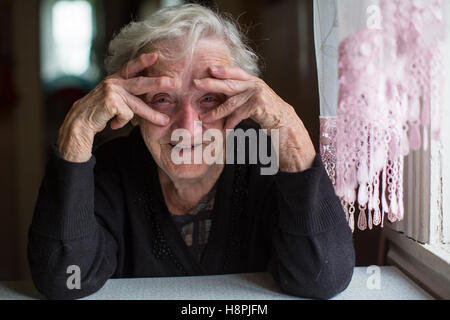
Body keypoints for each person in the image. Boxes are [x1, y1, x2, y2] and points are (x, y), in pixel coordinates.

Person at [28, 3, 354, 300]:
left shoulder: (266, 163)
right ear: (133, 105)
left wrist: (289, 127)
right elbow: (65, 280)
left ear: (242, 100)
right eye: (162, 99)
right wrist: (78, 128)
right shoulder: (110, 170)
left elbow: (321, 279)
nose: (187, 126)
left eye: (209, 98)